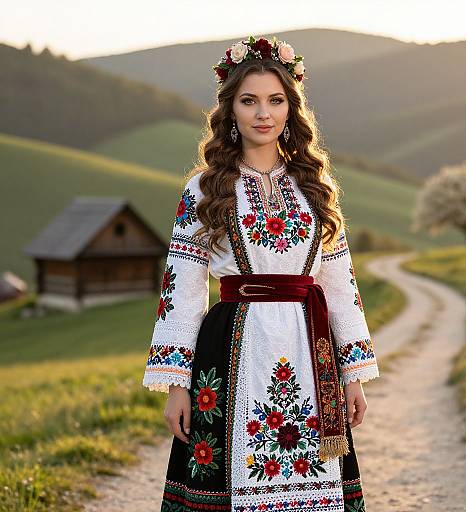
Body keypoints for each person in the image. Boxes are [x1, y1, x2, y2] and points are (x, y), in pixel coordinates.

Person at [142, 35, 380, 512]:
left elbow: (339, 283)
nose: (263, 113)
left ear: (292, 109)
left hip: (310, 348)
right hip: (232, 346)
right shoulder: (205, 188)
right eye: (249, 101)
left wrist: (352, 374)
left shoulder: (315, 185)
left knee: (313, 474)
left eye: (275, 101)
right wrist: (177, 385)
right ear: (230, 110)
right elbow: (183, 291)